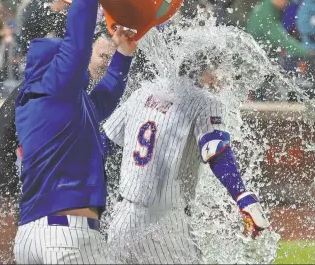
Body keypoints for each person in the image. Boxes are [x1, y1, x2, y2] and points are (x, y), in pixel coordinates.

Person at [13, 0, 137, 264]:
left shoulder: (50, 103)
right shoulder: (55, 87)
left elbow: (103, 102)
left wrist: (122, 56)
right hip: (67, 235)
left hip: (30, 235)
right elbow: (79, 40)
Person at [103, 40, 270, 264]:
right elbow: (216, 151)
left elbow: (103, 143)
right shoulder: (205, 103)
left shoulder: (145, 93)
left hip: (123, 219)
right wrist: (243, 197)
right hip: (164, 223)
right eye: (221, 69)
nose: (226, 78)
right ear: (208, 72)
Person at [0, 26, 118, 202]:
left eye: (113, 59)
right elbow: (3, 133)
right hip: (44, 193)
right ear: (87, 54)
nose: (107, 64)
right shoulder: (50, 83)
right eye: (103, 56)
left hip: (92, 196)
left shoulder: (117, 93)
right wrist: (9, 187)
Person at [246, 0, 311, 59]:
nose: (288, 5)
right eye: (288, 1)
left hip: (258, 54)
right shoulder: (266, 14)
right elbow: (282, 39)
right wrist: (307, 53)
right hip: (253, 58)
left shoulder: (267, 5)